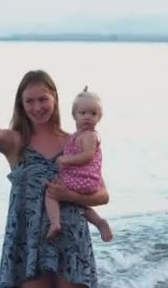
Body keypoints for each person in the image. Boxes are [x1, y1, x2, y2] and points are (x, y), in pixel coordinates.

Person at [0, 70, 109, 288]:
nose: (37, 107)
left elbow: (102, 195)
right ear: (21, 104)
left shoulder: (75, 143)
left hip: (71, 240)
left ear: (55, 99)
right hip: (28, 243)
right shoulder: (15, 142)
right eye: (29, 101)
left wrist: (67, 195)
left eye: (43, 99)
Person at [45, 87, 113, 242]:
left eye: (93, 114)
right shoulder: (77, 136)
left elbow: (88, 156)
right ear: (74, 115)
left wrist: (65, 160)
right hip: (85, 180)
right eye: (83, 113)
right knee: (79, 204)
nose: (88, 117)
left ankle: (55, 223)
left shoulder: (90, 136)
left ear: (100, 117)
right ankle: (99, 221)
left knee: (51, 192)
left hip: (84, 179)